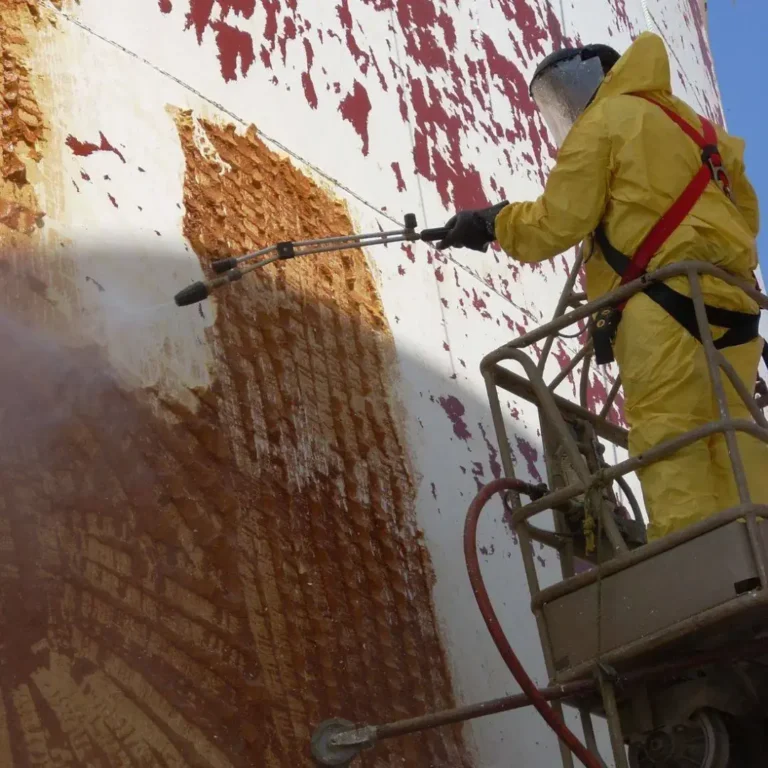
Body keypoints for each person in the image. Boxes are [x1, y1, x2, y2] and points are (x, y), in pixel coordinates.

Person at [437, 32, 768, 541]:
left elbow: (555, 222)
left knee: (670, 439)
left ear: (604, 79)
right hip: (734, 304)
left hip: (662, 307)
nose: (568, 109)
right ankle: (757, 550)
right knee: (735, 440)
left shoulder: (605, 123)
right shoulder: (703, 133)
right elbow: (746, 217)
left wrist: (491, 222)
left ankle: (698, 569)